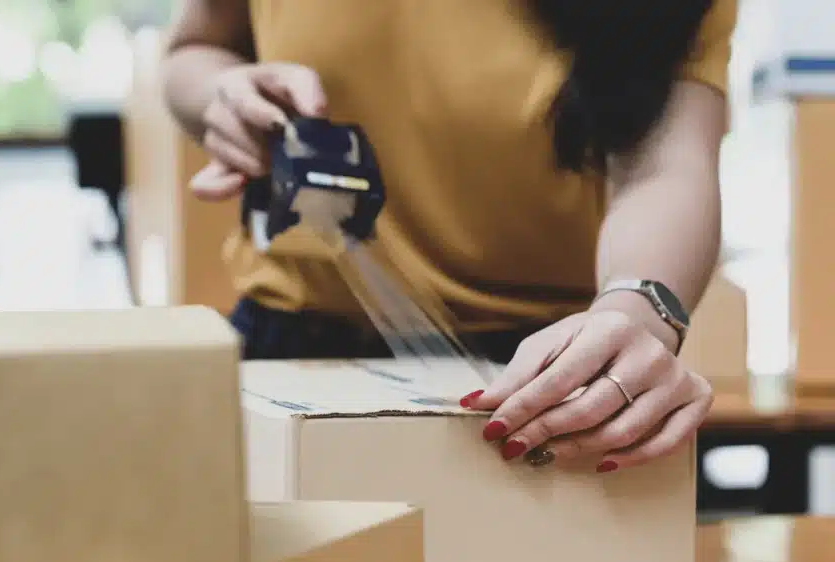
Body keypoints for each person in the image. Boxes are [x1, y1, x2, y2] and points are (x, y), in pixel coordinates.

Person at [161, 0, 737, 474]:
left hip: (545, 377)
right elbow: (194, 48)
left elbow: (666, 165)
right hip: (290, 349)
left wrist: (637, 309)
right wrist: (223, 93)